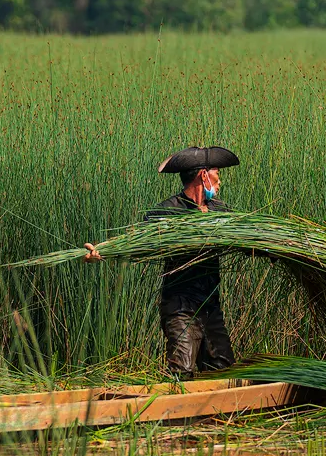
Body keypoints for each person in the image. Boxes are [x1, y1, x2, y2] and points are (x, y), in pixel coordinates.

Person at [85, 145, 240, 379]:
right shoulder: (166, 212)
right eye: (217, 173)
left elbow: (246, 239)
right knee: (182, 373)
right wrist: (102, 251)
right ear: (203, 174)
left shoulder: (221, 211)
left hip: (210, 306)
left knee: (223, 371)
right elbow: (135, 241)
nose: (220, 181)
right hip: (180, 307)